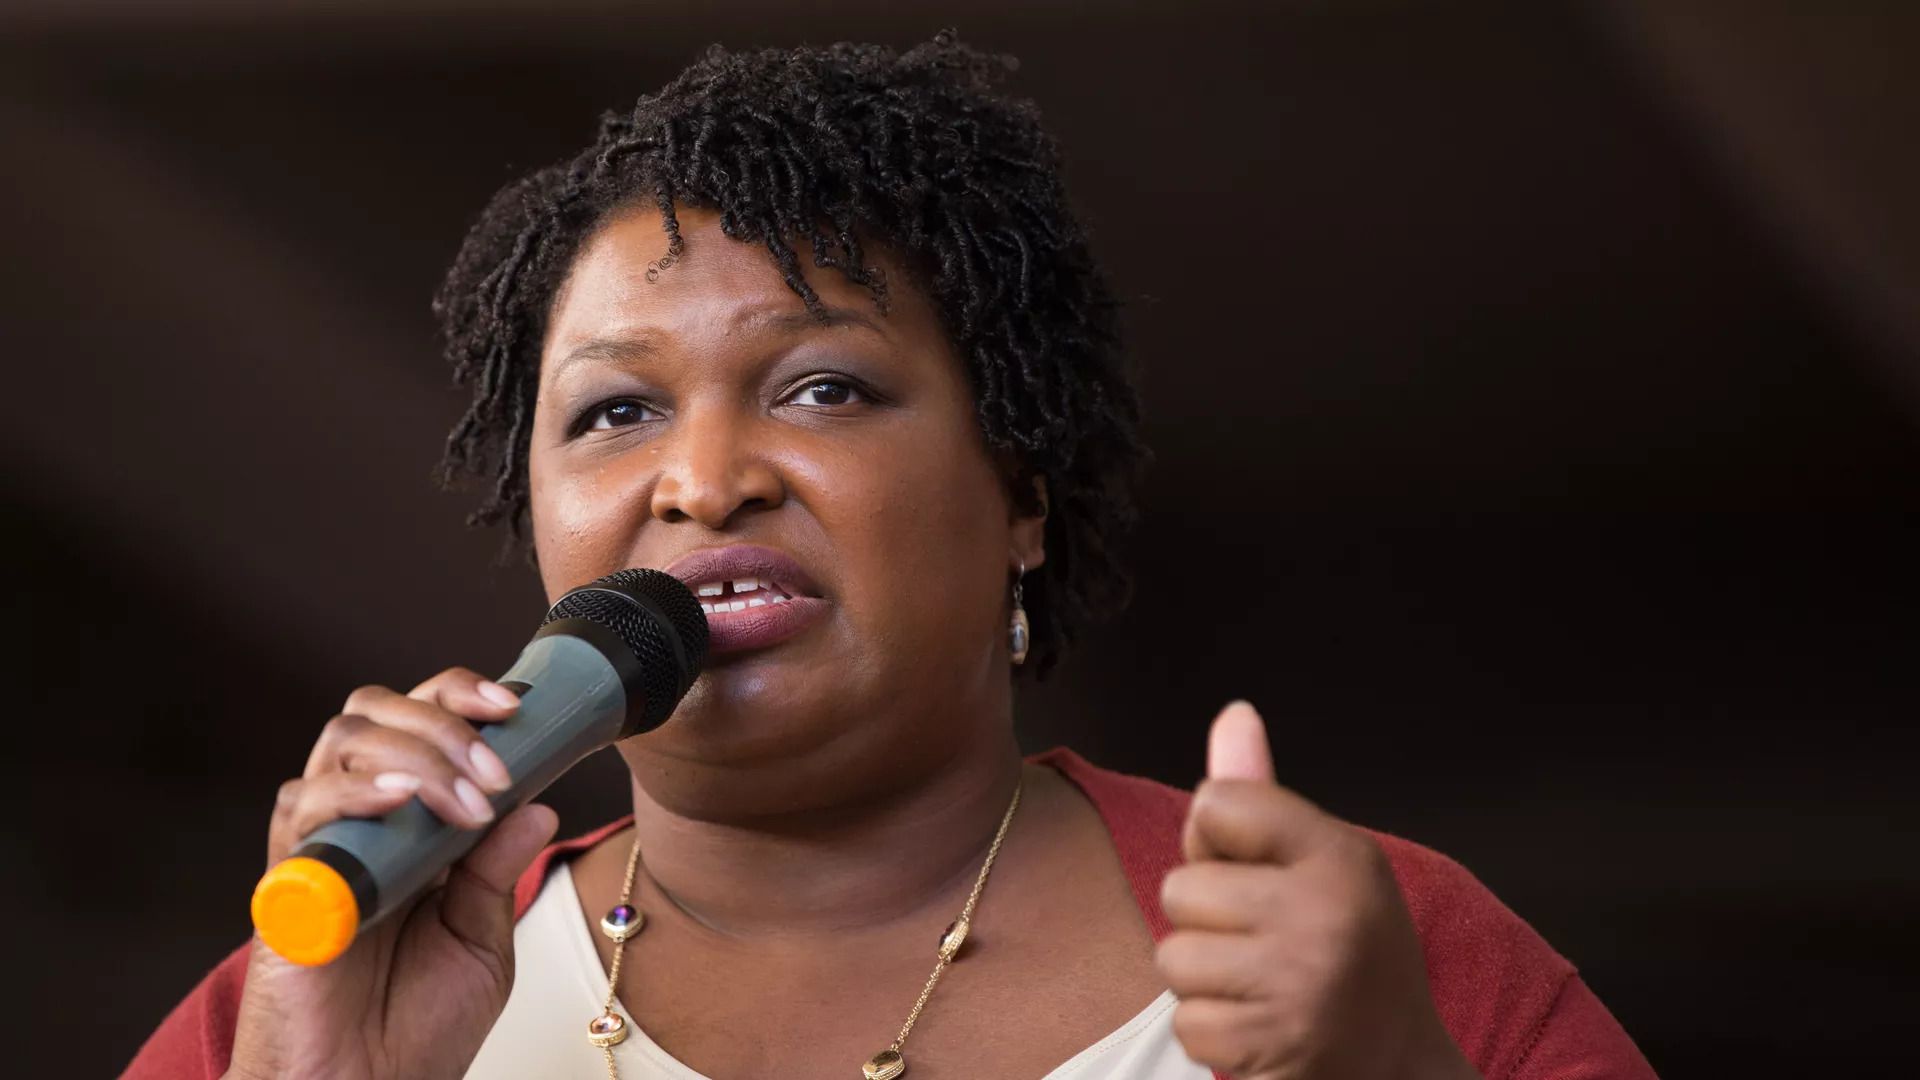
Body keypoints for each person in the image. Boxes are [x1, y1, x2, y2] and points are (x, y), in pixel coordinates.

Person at [125, 32, 1655, 1080]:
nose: (703, 478)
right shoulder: (311, 984)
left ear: (1022, 496)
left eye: (821, 388)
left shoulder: (1373, 947)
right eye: (616, 411)